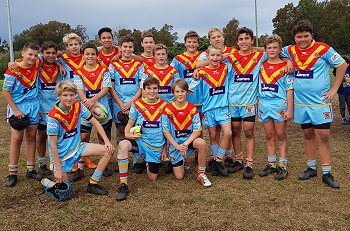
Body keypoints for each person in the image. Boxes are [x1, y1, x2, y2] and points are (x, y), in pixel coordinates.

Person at [282, 20, 348, 188]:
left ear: (312, 35)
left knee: (323, 136)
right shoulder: (290, 50)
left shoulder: (322, 48)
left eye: (306, 36)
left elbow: (342, 65)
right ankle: (311, 167)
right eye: (299, 37)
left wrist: (334, 89)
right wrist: (288, 60)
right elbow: (270, 49)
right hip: (301, 103)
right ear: (294, 38)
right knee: (308, 135)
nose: (302, 40)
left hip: (320, 102)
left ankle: (327, 173)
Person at [41, 80, 115, 196]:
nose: (69, 98)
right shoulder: (53, 117)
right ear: (58, 96)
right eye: (65, 95)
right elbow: (52, 145)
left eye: (71, 95)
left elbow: (95, 122)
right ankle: (46, 182)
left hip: (77, 147)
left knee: (108, 150)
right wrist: (58, 169)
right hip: (61, 156)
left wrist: (107, 141)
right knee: (66, 193)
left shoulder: (78, 105)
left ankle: (93, 184)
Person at [116, 77, 167, 201]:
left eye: (155, 88)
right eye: (148, 88)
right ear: (143, 90)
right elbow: (128, 127)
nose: (152, 91)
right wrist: (129, 135)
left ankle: (148, 161)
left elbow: (167, 131)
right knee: (123, 145)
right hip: (139, 141)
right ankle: (123, 185)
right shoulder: (137, 104)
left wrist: (165, 148)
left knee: (152, 178)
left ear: (159, 90)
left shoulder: (165, 106)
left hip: (156, 144)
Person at [226, 27, 266, 179]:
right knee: (235, 130)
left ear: (251, 40)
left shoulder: (259, 56)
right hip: (233, 102)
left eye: (247, 38)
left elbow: (274, 49)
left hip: (249, 102)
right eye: (241, 39)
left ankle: (249, 164)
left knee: (249, 131)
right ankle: (238, 160)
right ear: (237, 42)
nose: (244, 42)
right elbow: (210, 59)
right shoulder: (230, 57)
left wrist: (288, 60)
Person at [71, 43, 113, 182]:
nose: (90, 56)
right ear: (83, 56)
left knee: (103, 138)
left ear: (97, 55)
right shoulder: (78, 72)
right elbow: (79, 90)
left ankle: (104, 164)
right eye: (87, 54)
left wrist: (93, 101)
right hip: (85, 108)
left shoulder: (104, 70)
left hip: (102, 109)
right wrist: (86, 102)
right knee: (83, 137)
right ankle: (80, 168)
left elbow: (106, 88)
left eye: (92, 54)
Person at [3, 42, 43, 187]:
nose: (32, 57)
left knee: (32, 137)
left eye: (34, 55)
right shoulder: (13, 70)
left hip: (33, 105)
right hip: (18, 106)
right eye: (29, 54)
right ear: (23, 54)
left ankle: (30, 169)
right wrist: (15, 110)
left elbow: (53, 56)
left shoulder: (37, 63)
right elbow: (6, 92)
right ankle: (12, 173)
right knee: (17, 138)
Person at [57, 33, 97, 169]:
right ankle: (72, 160)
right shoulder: (62, 58)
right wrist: (58, 63)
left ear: (80, 45)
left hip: (85, 98)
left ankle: (85, 159)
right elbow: (42, 57)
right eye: (70, 45)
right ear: (66, 47)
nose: (74, 47)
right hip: (70, 99)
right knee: (72, 131)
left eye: (76, 44)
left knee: (86, 132)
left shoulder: (86, 56)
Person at [162, 79, 212, 187]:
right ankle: (182, 160)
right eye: (177, 91)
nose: (180, 94)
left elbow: (197, 130)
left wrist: (185, 144)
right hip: (175, 144)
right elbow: (166, 131)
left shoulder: (192, 109)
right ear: (173, 93)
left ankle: (201, 174)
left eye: (183, 91)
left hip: (189, 142)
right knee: (179, 176)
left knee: (202, 143)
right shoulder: (167, 109)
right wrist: (176, 145)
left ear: (187, 92)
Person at [257, 35, 294, 181]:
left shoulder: (286, 67)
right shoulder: (261, 65)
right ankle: (271, 164)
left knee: (281, 135)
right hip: (264, 104)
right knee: (269, 135)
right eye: (269, 47)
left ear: (280, 49)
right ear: (265, 49)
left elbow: (290, 89)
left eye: (275, 47)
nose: (272, 50)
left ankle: (283, 166)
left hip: (279, 103)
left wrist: (290, 109)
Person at [193, 45, 232, 177]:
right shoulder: (202, 72)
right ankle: (216, 162)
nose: (215, 58)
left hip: (222, 108)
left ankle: (217, 161)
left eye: (218, 55)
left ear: (222, 57)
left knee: (228, 133)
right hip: (208, 109)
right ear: (208, 56)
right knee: (213, 136)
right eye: (212, 55)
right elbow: (192, 86)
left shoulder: (226, 68)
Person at [109, 35, 145, 173]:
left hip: (135, 104)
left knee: (135, 131)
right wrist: (121, 104)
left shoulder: (139, 65)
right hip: (118, 104)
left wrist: (131, 103)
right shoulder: (113, 65)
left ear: (133, 48)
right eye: (125, 46)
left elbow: (142, 87)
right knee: (120, 132)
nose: (128, 49)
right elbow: (111, 87)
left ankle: (136, 160)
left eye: (130, 47)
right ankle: (122, 159)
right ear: (120, 48)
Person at [36, 41, 64, 176]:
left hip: (57, 108)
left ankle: (59, 162)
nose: (51, 55)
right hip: (42, 107)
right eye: (47, 53)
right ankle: (42, 163)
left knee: (57, 136)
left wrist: (58, 62)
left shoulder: (60, 64)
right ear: (42, 53)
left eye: (53, 53)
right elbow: (21, 59)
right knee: (42, 136)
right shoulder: (37, 63)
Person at [171, 31, 203, 113]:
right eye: (189, 42)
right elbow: (172, 78)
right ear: (185, 43)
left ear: (198, 44)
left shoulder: (203, 57)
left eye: (194, 42)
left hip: (202, 98)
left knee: (202, 124)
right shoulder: (177, 59)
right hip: (183, 99)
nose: (191, 44)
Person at [333, 57, 350, 125]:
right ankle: (343, 118)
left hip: (349, 92)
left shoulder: (349, 70)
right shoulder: (338, 70)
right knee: (342, 105)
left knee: (349, 105)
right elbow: (335, 68)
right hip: (342, 92)